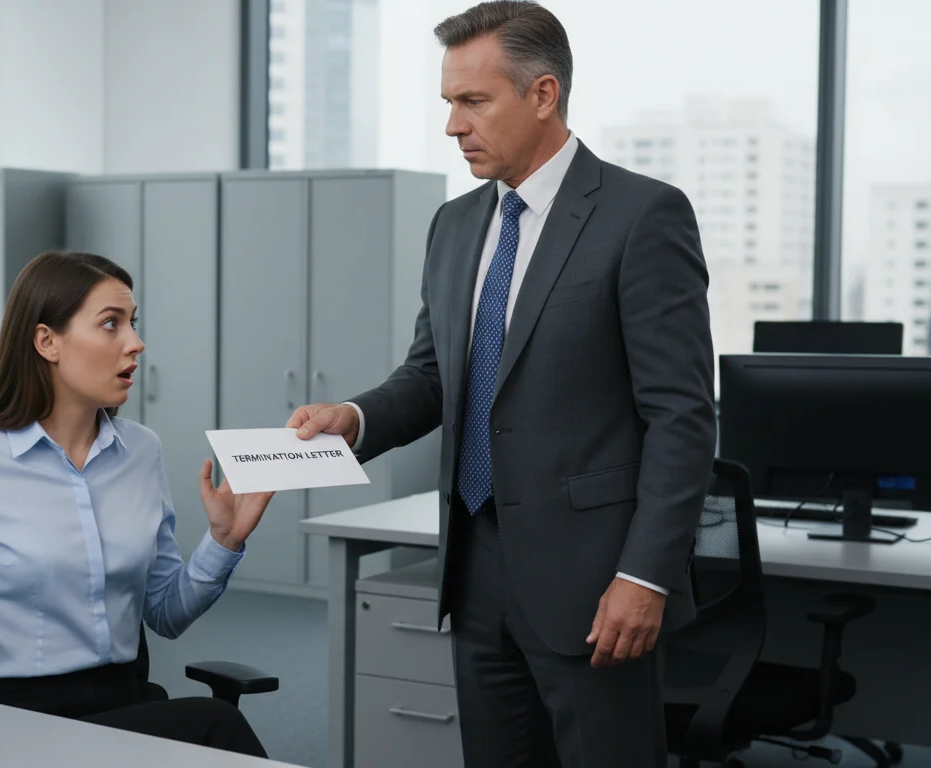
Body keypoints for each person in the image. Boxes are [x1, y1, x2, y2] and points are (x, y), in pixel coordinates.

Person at [287, 2, 716, 766]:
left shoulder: (641, 215)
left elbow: (681, 418)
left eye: (473, 101)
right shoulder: (454, 225)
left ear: (543, 94)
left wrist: (644, 575)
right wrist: (352, 418)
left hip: (595, 580)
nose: (453, 124)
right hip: (476, 566)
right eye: (448, 102)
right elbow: (430, 376)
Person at [0, 251, 273, 757]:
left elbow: (166, 613)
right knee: (216, 725)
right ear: (47, 341)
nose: (136, 343)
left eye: (133, 323)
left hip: (121, 706)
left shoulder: (141, 452)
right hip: (11, 716)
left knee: (210, 728)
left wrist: (223, 541)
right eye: (110, 324)